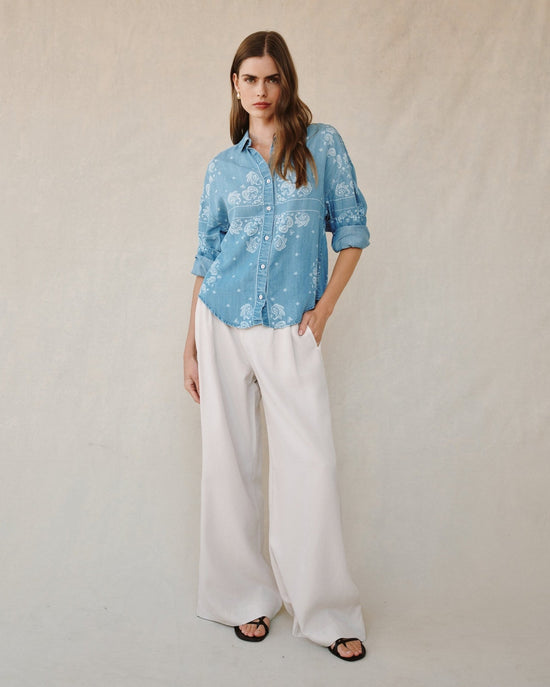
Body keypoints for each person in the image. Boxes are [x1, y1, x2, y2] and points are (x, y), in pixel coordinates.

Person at [183, 30, 370, 662]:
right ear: (235, 85)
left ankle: (327, 612)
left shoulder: (323, 146)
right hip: (222, 322)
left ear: (286, 81)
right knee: (228, 463)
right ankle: (243, 600)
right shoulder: (223, 167)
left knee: (311, 464)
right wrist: (190, 344)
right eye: (249, 79)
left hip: (292, 324)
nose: (260, 90)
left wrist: (324, 310)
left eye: (272, 78)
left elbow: (352, 233)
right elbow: (207, 257)